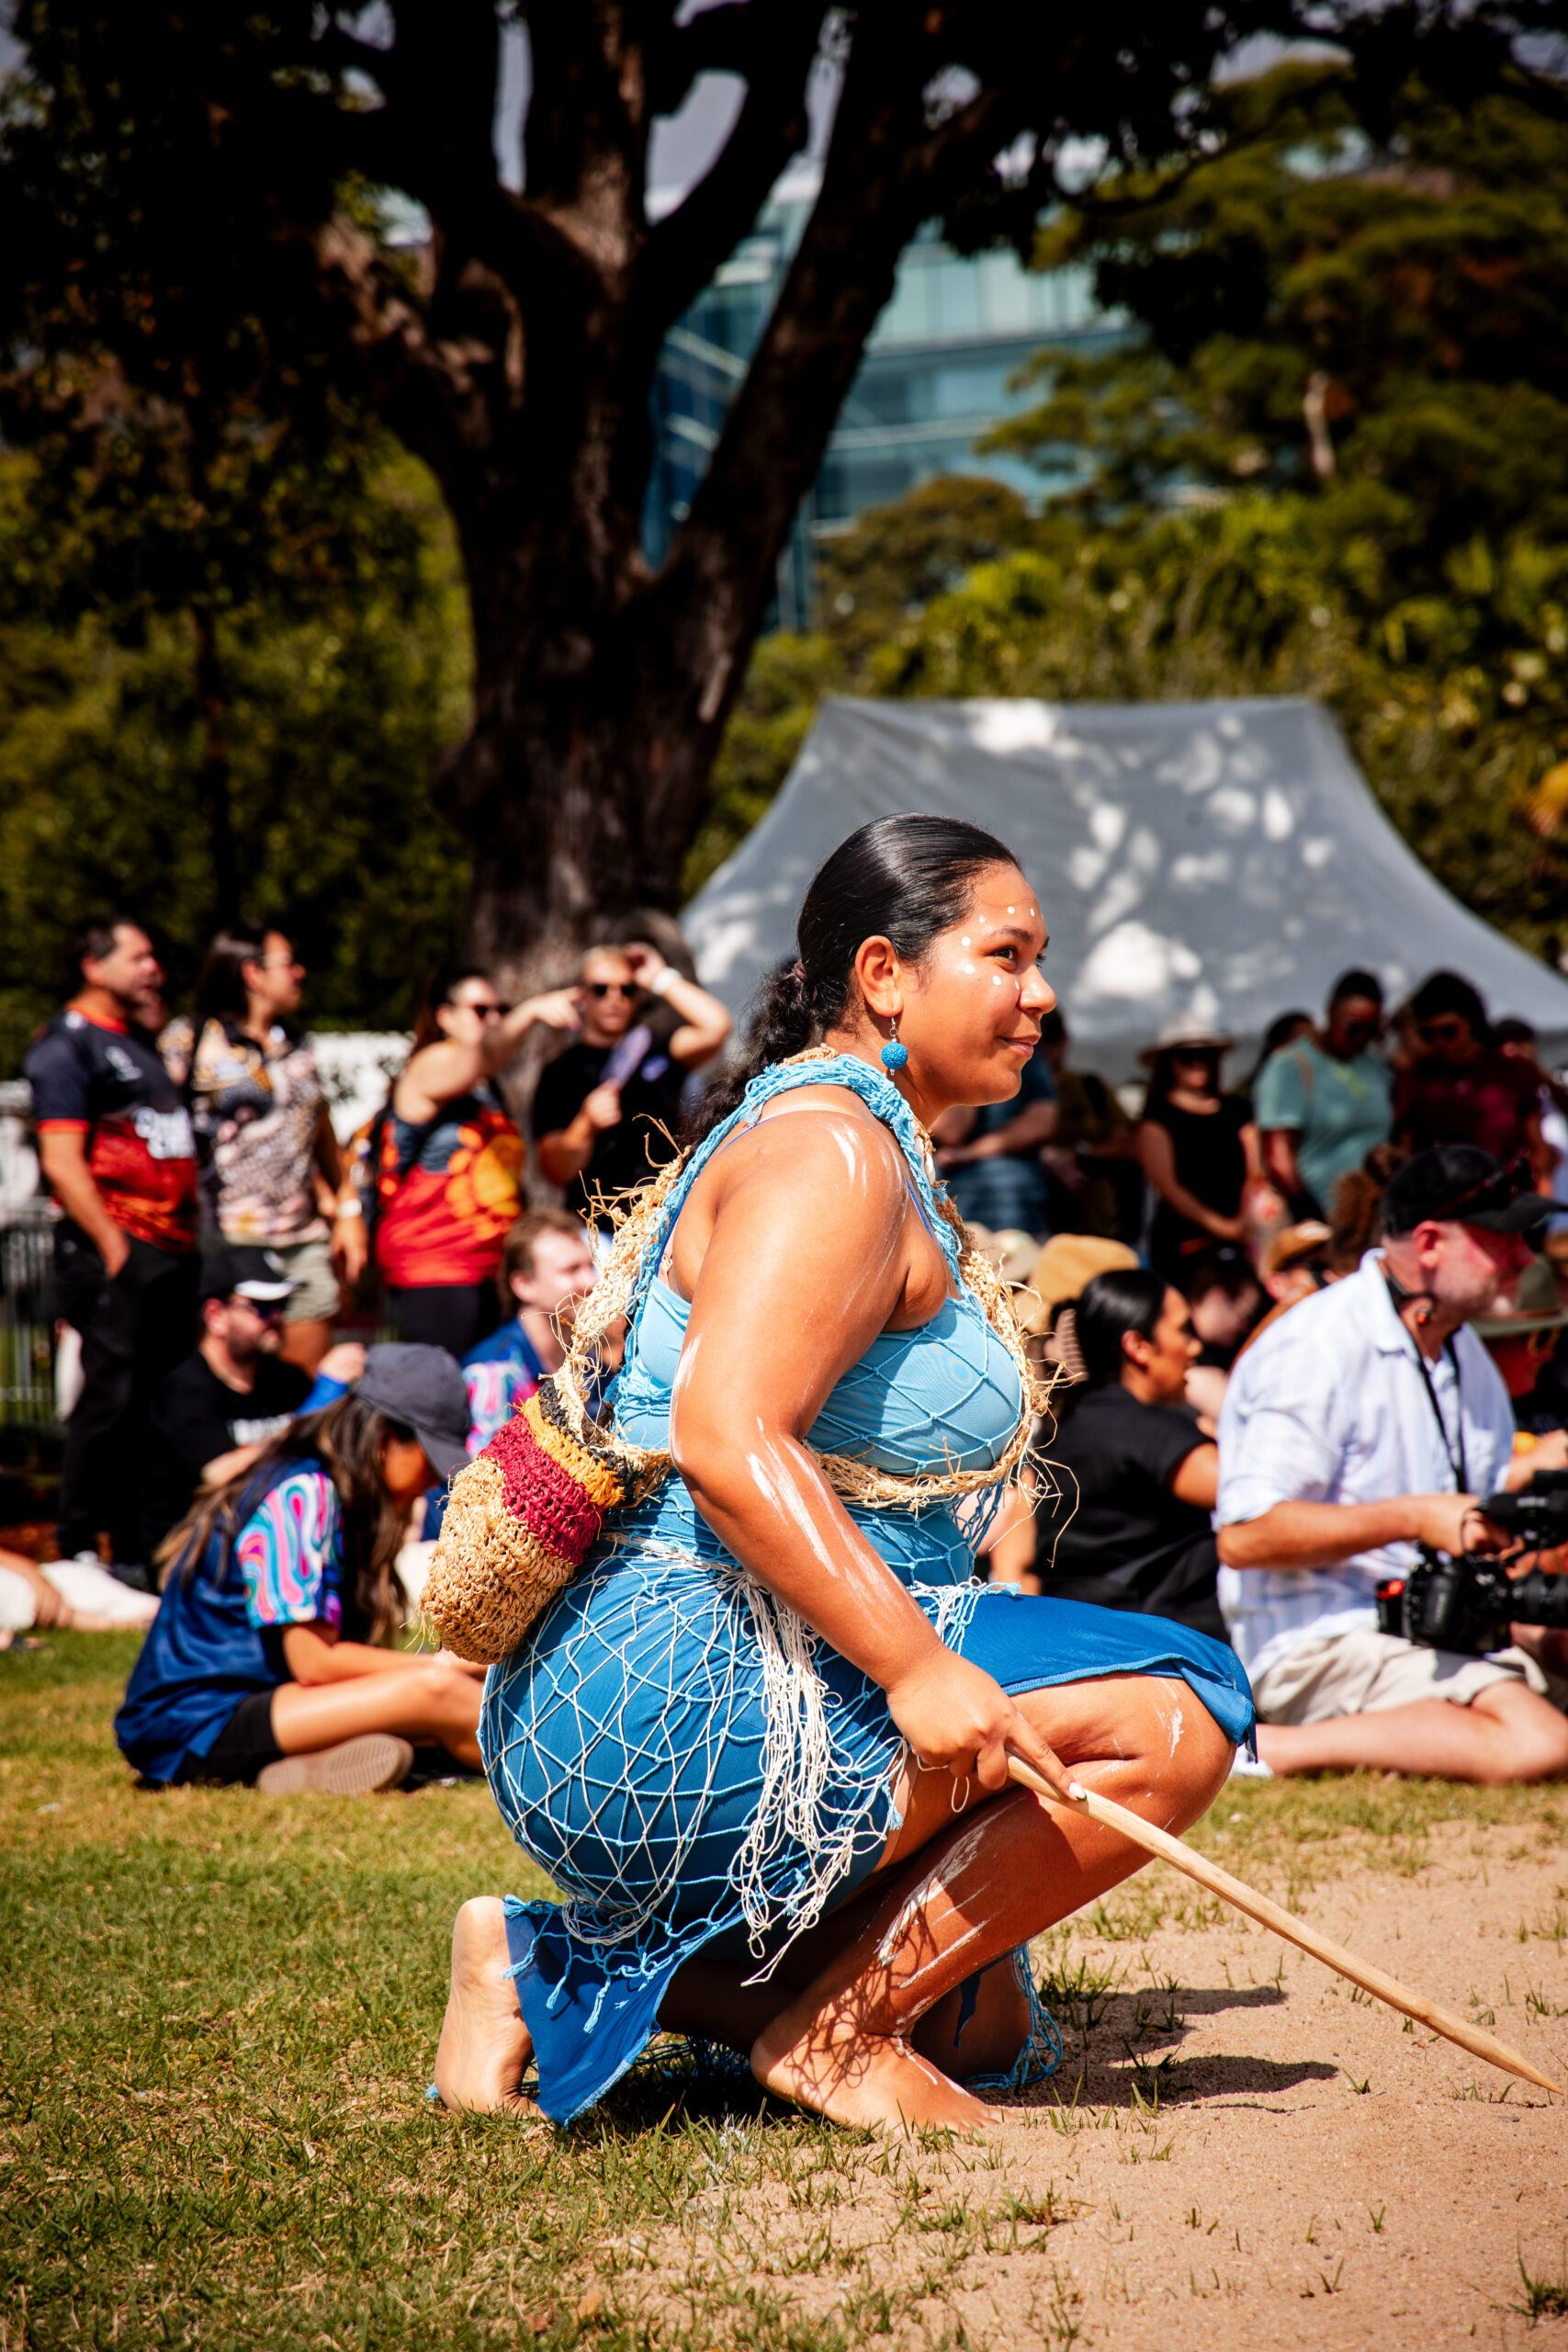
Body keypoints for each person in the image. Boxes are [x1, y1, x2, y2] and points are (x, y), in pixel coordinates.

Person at [431, 812, 1251, 2131]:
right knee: (1179, 1708)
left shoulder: (863, 1144)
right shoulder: (827, 1154)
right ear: (883, 974)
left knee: (983, 2019)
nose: (1040, 994)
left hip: (699, 1672)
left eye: (1040, 959)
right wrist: (918, 1670)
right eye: (1005, 955)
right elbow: (726, 1436)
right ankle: (837, 2034)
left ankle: (540, 1964)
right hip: (673, 1680)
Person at [1216, 1146, 1568, 1781]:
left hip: (1428, 1630)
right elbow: (1243, 1537)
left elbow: (1469, 1532)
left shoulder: (1461, 1349)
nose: (1524, 1257)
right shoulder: (1316, 1344)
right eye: (1503, 1240)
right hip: (1316, 1640)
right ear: (1430, 1242)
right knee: (1537, 1742)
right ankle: (1271, 1750)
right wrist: (1413, 1517)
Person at [116, 1346, 485, 1794]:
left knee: (432, 1699)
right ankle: (549, 1769)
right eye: (429, 1458)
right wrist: (442, 1665)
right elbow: (316, 1662)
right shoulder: (302, 1493)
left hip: (264, 1701)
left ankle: (309, 1765)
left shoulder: (323, 1484)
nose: (434, 1479)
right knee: (437, 1693)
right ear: (385, 1438)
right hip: (195, 1722)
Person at [25, 916, 199, 1571]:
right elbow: (63, 1160)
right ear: (94, 967)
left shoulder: (136, 1041)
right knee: (110, 1398)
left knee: (157, 1399)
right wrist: (112, 1244)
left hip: (170, 1248)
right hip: (116, 1250)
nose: (152, 967)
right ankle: (77, 1547)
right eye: (138, 956)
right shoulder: (67, 1047)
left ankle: (138, 1546)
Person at [352, 965, 581, 1358]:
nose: (493, 1020)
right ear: (445, 1017)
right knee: (444, 1397)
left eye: (500, 1010)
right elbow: (483, 1056)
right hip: (435, 1266)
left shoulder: (487, 1086)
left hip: (487, 1269)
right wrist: (527, 1012)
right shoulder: (431, 1065)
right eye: (481, 1010)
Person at [161, 924, 346, 1371]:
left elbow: (319, 1131)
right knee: (231, 1381)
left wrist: (347, 1209)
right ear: (252, 973)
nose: (299, 973)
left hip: (301, 1238)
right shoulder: (189, 1039)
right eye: (288, 964)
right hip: (223, 1235)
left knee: (305, 1390)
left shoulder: (299, 1045)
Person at [1033, 1269, 1225, 1641]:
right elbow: (1259, 1500)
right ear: (1138, 1346)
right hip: (1169, 1656)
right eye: (1183, 1330)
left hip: (1086, 1649)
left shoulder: (1068, 1426)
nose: (1195, 1347)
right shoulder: (1147, 1430)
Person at [141, 1245, 366, 1561]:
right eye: (260, 1307)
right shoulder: (182, 1391)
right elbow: (224, 1476)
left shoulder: (289, 1381)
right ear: (215, 1316)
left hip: (274, 1542)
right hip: (193, 1553)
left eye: (282, 1304)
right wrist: (310, 1416)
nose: (276, 1317)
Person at [533, 940, 732, 1228]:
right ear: (582, 996)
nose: (615, 999)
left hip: (663, 1220)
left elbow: (716, 1027)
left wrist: (660, 978)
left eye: (627, 989)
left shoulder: (655, 1047)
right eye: (601, 989)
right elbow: (556, 1171)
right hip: (597, 1230)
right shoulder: (560, 1072)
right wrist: (585, 1124)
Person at [1254, 971, 1393, 1221]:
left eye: (1371, 1031)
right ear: (1330, 1014)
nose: (1362, 1039)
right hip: (1320, 1217)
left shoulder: (1375, 1068)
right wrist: (1309, 1216)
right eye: (1354, 1028)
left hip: (1375, 1218)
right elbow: (1279, 1155)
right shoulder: (1290, 1066)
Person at [461, 1209, 598, 1453]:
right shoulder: (492, 1373)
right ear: (523, 1285)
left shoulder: (592, 1364)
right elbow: (481, 1481)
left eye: (591, 1266)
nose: (593, 1281)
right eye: (571, 1269)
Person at [1135, 1018, 1261, 1281]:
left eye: (1206, 1054)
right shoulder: (1157, 1118)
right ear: (1168, 1063)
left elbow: (1256, 1168)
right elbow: (1168, 1187)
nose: (1198, 1062)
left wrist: (1244, 1219)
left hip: (1244, 1234)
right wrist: (1222, 1227)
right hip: (1184, 1242)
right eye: (1186, 1056)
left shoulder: (1238, 1110)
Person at [1393, 973, 1542, 1170]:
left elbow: (1539, 1150)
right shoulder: (1415, 1080)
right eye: (1429, 1034)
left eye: (1448, 1031)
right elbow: (1406, 1154)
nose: (1440, 1042)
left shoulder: (1513, 1071)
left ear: (1469, 1021)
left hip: (1506, 1195)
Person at [931, 1035, 1057, 1240]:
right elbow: (953, 1129)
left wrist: (970, 1152)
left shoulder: (1023, 1052)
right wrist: (968, 1053)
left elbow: (1043, 1120)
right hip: (957, 1201)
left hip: (1013, 1203)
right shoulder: (944, 1051)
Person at [1034, 1010, 1140, 1241]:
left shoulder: (1090, 1087)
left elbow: (1129, 1144)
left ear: (1065, 1040)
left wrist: (1077, 1154)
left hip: (1096, 1222)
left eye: (1051, 1040)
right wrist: (1044, 1158)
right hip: (1035, 1223)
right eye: (1038, 1041)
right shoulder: (1009, 1091)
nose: (1046, 1050)